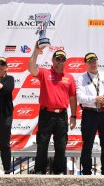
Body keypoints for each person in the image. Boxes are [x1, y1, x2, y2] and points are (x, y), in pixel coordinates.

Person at [28, 44, 77, 175]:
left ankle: (59, 172)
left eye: (62, 59)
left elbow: (72, 97)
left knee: (61, 146)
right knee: (42, 144)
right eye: (58, 59)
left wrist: (73, 116)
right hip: (46, 114)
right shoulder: (45, 72)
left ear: (65, 61)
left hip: (62, 116)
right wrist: (36, 52)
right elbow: (31, 69)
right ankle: (39, 170)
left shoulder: (70, 77)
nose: (60, 62)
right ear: (53, 60)